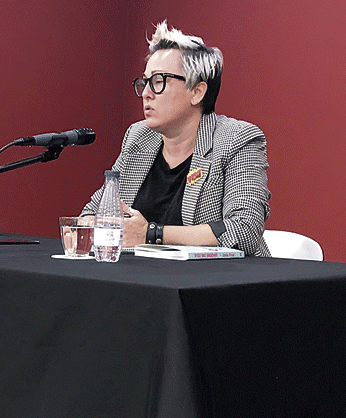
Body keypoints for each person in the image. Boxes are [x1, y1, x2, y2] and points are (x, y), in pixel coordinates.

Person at [81, 21, 271, 256]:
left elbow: (244, 230)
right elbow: (91, 212)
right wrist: (90, 224)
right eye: (144, 82)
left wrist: (151, 234)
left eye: (159, 81)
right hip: (145, 282)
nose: (147, 93)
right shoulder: (139, 138)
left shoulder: (236, 140)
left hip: (219, 283)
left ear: (197, 92)